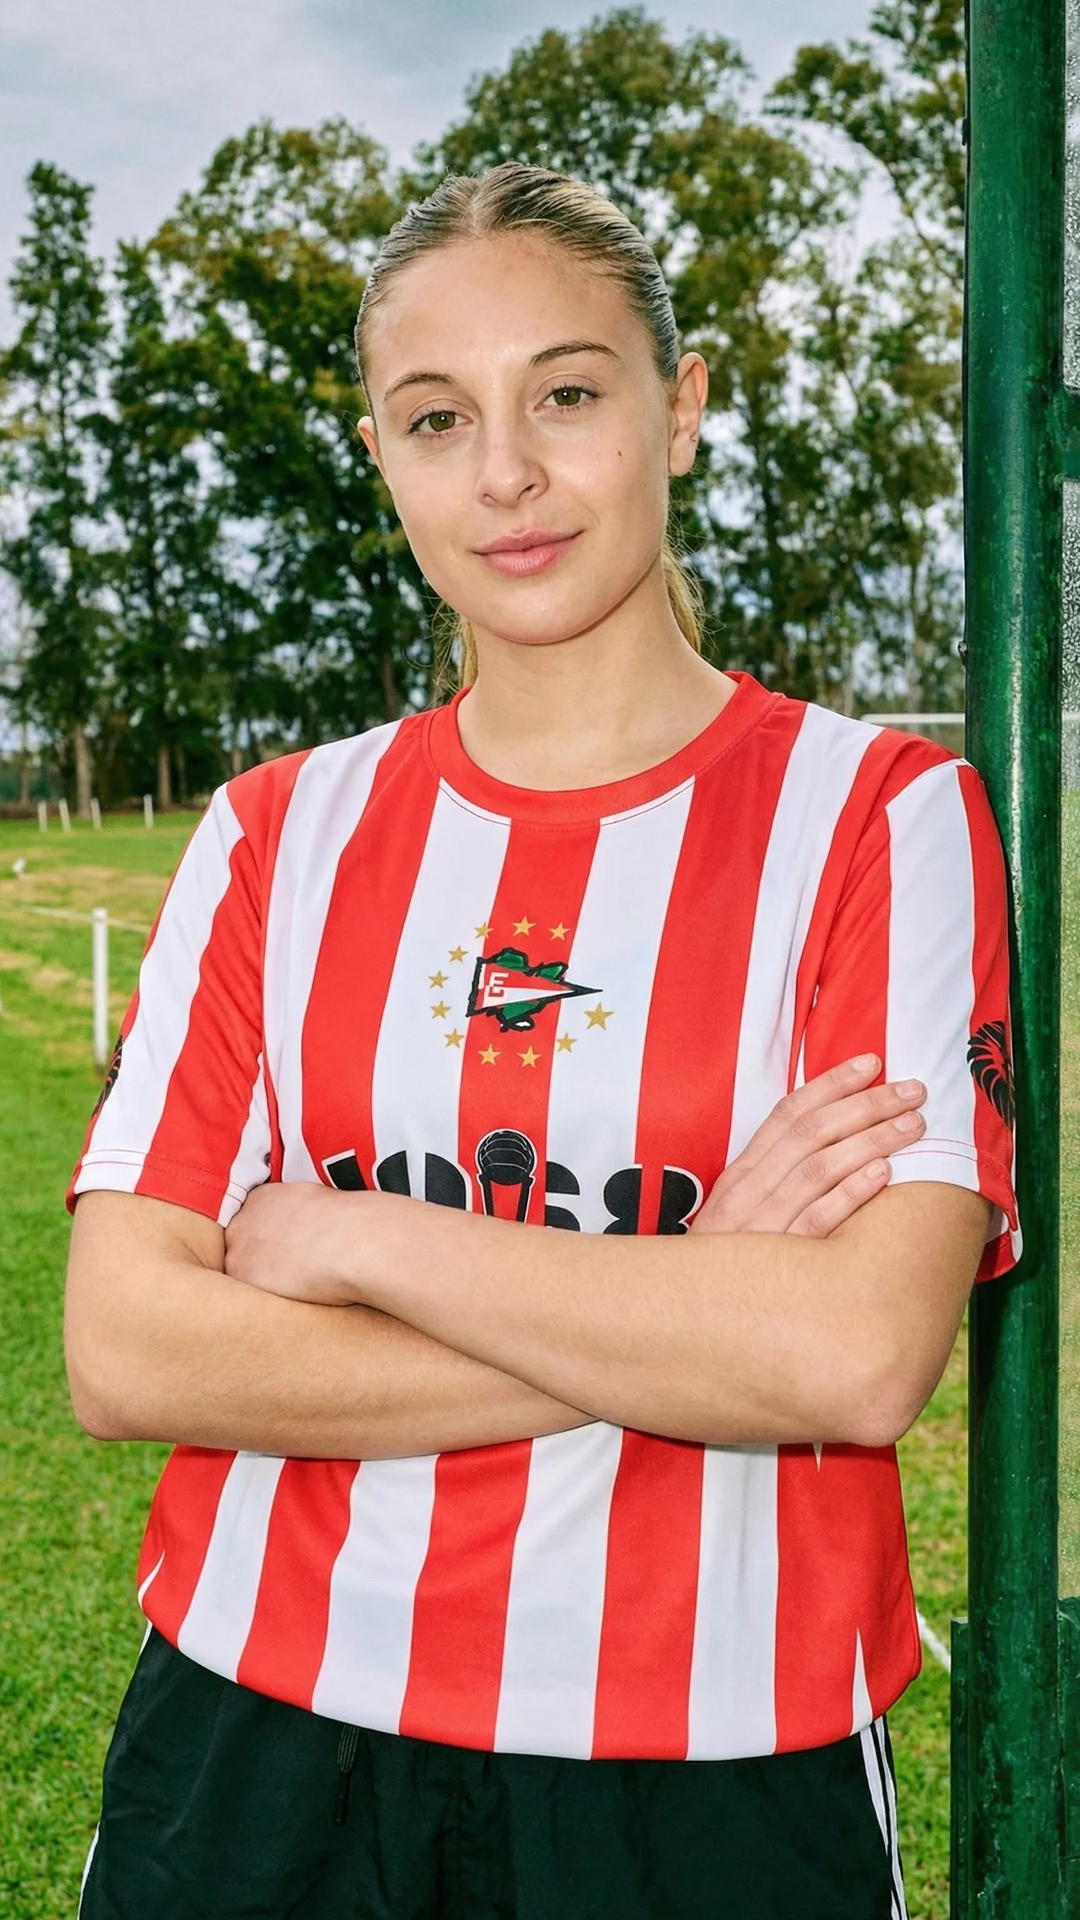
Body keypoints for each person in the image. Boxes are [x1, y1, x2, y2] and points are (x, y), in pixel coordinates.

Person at [65, 164, 1019, 1920]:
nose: (504, 472)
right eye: (439, 418)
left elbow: (853, 1359)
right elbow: (130, 1349)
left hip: (719, 1758)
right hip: (261, 1740)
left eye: (567, 392)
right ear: (382, 454)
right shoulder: (278, 833)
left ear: (686, 404)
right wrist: (687, 1293)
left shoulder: (880, 817)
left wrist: (365, 1240)